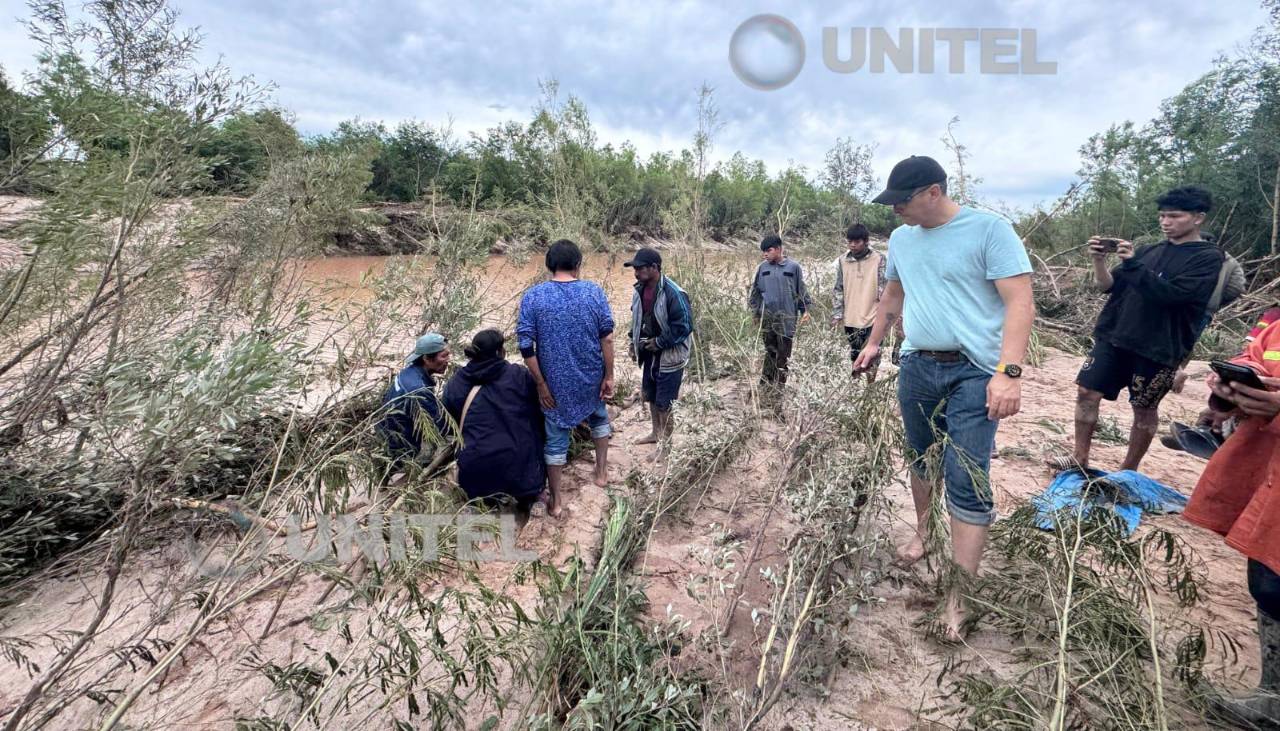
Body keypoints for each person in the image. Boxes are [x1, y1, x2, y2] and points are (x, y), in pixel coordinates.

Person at [852, 155, 1035, 640]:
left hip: (976, 371)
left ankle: (959, 597)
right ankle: (924, 532)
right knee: (921, 457)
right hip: (917, 365)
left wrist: (1008, 374)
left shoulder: (990, 231)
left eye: (903, 201)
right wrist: (874, 342)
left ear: (933, 192)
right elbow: (893, 295)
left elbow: (1020, 301)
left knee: (966, 475)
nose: (895, 211)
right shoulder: (902, 240)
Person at [1056, 186, 1225, 474]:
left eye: (1174, 216)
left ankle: (1128, 471)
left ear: (1198, 218)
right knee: (1086, 392)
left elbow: (1172, 295)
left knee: (1144, 409)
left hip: (1159, 347)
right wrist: (1099, 260)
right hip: (1114, 337)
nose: (1165, 222)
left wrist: (1133, 264)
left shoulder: (1208, 258)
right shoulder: (1150, 251)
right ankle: (1079, 458)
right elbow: (1107, 287)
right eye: (1162, 216)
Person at [1183, 317, 1280, 728]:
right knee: (1269, 581)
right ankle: (1272, 699)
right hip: (1268, 471)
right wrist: (1231, 391)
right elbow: (1256, 357)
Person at [516, 239, 616, 517]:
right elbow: (607, 338)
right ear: (578, 265)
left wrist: (540, 383)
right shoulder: (593, 293)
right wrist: (609, 375)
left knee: (556, 438)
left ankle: (557, 500)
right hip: (590, 376)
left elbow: (526, 346)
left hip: (554, 384)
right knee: (599, 419)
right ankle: (601, 471)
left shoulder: (533, 297)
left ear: (549, 265)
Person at [442, 329, 546, 510]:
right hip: (520, 467)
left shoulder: (455, 383)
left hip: (475, 469)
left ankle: (482, 499)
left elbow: (450, 421)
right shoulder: (518, 376)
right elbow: (538, 408)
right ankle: (530, 496)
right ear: (500, 352)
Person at [624, 247, 693, 450]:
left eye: (641, 268)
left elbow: (685, 326)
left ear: (655, 268)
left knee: (665, 402)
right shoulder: (640, 290)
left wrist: (660, 342)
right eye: (635, 269)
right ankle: (656, 434)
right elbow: (637, 319)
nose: (636, 272)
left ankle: (667, 446)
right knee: (651, 396)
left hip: (671, 356)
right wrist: (632, 341)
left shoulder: (674, 292)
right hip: (650, 353)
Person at [379, 332, 453, 476]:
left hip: (385, 431)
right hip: (401, 444)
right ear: (426, 358)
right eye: (444, 356)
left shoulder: (408, 372)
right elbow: (440, 426)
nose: (448, 360)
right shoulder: (419, 390)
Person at [748, 234, 811, 401]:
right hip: (768, 319)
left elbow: (800, 291)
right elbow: (755, 291)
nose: (765, 254)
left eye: (768, 250)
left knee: (783, 354)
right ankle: (766, 383)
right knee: (769, 351)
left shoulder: (793, 268)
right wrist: (755, 313)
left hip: (787, 320)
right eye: (763, 252)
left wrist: (805, 310)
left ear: (778, 249)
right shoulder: (762, 268)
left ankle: (780, 387)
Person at [830, 223, 886, 380]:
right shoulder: (843, 261)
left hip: (873, 318)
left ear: (866, 241)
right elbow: (838, 288)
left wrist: (887, 316)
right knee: (855, 355)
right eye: (850, 242)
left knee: (872, 357)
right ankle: (854, 388)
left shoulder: (879, 259)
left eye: (857, 241)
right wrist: (837, 314)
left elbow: (884, 288)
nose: (853, 245)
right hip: (851, 318)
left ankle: (870, 388)